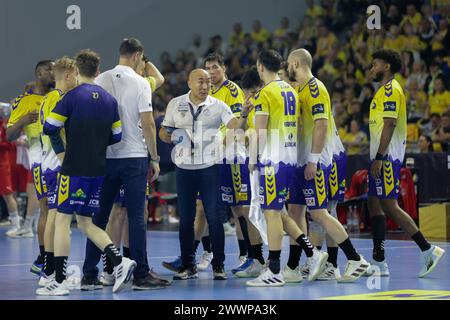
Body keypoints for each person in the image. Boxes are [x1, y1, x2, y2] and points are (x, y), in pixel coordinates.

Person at [37, 49, 135, 296]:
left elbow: (50, 127)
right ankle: (119, 261)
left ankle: (58, 281)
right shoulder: (110, 100)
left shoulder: (71, 97)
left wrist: (64, 151)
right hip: (98, 169)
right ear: (98, 71)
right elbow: (116, 136)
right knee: (85, 222)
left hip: (73, 168)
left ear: (76, 71)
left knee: (61, 219)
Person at [82, 38, 169, 290]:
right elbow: (149, 123)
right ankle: (141, 274)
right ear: (138, 56)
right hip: (133, 156)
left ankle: (90, 273)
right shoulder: (141, 82)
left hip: (105, 157)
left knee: (98, 217)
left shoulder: (99, 80)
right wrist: (154, 157)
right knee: (136, 217)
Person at [246, 49, 328, 287]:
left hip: (273, 161)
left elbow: (260, 133)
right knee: (281, 214)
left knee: (271, 213)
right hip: (291, 160)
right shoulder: (289, 90)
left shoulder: (265, 94)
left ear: (261, 67)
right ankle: (312, 252)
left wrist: (252, 159)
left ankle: (273, 270)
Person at [159, 69, 251, 280]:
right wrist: (171, 135)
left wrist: (244, 114)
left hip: (210, 167)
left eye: (208, 82)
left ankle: (218, 265)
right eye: (200, 81)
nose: (205, 86)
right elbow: (164, 132)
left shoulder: (219, 106)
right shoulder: (175, 103)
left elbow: (235, 126)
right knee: (186, 220)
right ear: (189, 82)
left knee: (215, 217)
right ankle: (187, 265)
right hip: (183, 169)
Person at [286, 48, 369, 283]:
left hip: (319, 160)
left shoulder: (314, 87)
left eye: (289, 65)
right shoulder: (299, 89)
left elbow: (321, 125)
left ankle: (353, 259)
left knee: (321, 212)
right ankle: (296, 265)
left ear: (296, 63)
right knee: (296, 211)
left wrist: (313, 160)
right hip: (303, 161)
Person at [366, 49, 445, 278]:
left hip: (387, 158)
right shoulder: (381, 91)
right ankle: (379, 262)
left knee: (389, 205)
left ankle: (427, 249)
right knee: (373, 202)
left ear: (386, 67)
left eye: (374, 65)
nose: (371, 69)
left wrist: (380, 157)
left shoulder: (391, 90)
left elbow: (389, 125)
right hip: (378, 157)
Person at [6, 60, 54, 275]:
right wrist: (23, 120)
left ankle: (49, 258)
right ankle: (44, 258)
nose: (53, 73)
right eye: (49, 70)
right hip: (40, 161)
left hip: (62, 160)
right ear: (39, 73)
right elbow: (9, 135)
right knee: (46, 209)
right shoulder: (23, 101)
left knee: (59, 213)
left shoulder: (57, 96)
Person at [36, 57, 79, 288]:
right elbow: (54, 130)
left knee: (55, 215)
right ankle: (51, 271)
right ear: (69, 75)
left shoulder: (50, 98)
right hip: (57, 163)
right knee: (57, 216)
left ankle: (48, 270)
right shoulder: (56, 98)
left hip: (50, 162)